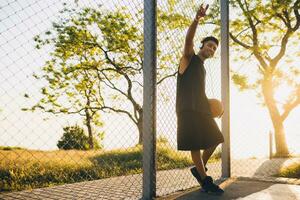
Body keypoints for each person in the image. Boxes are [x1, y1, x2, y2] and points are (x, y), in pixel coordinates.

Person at [175, 3, 224, 194]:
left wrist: (217, 106)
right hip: (187, 109)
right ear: (202, 46)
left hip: (201, 109)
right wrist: (197, 20)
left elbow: (200, 93)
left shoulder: (202, 68)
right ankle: (205, 181)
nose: (211, 49)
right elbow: (188, 39)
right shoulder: (188, 58)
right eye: (209, 45)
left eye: (214, 48)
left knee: (216, 138)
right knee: (194, 144)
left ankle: (199, 169)